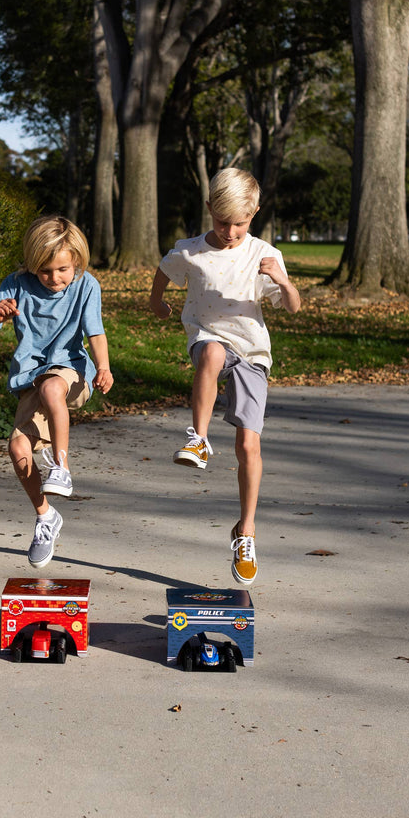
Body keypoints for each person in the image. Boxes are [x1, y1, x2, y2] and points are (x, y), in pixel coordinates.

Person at [149, 168, 300, 585]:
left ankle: (245, 531)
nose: (230, 231)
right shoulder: (190, 250)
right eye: (222, 221)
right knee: (211, 352)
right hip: (208, 335)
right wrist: (156, 301)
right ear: (209, 209)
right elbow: (165, 270)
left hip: (253, 352)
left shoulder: (263, 253)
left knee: (248, 445)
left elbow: (293, 307)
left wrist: (282, 281)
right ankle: (197, 439)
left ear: (254, 213)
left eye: (240, 223)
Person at [0, 216, 113, 570]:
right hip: (30, 378)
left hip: (73, 372)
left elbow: (95, 332)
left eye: (63, 269)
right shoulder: (16, 285)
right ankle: (45, 517)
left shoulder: (86, 286)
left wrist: (104, 366)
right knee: (17, 448)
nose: (55, 279)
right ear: (32, 266)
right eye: (45, 271)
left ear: (77, 263)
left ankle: (61, 465)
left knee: (54, 386)